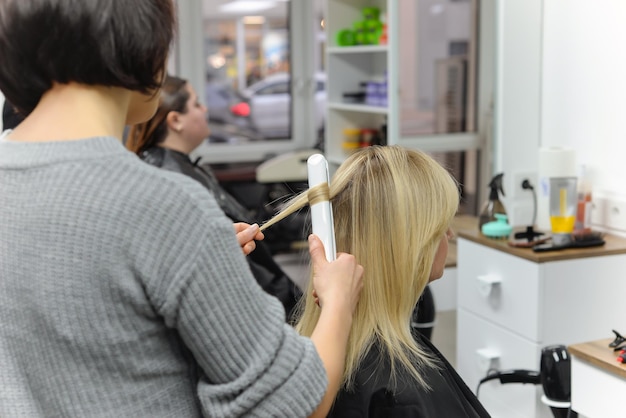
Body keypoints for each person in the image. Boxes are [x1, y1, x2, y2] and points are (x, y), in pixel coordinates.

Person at [0, 1, 364, 417]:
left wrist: (194, 259)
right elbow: (298, 407)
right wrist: (338, 301)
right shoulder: (163, 205)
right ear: (145, 49)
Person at [262, 145, 490, 417]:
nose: (449, 235)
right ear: (412, 245)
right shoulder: (398, 394)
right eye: (442, 226)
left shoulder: (317, 360)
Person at [126, 74, 302, 320]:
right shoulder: (177, 182)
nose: (205, 109)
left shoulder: (187, 169)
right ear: (176, 120)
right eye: (197, 104)